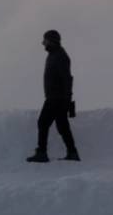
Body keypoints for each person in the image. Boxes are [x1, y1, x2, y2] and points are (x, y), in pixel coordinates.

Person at [26, 30, 80, 163]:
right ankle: (72, 153)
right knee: (62, 126)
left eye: (45, 40)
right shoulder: (54, 54)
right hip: (57, 97)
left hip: (56, 98)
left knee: (43, 122)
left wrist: (67, 97)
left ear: (52, 41)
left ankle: (42, 153)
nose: (43, 43)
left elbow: (67, 78)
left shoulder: (60, 56)